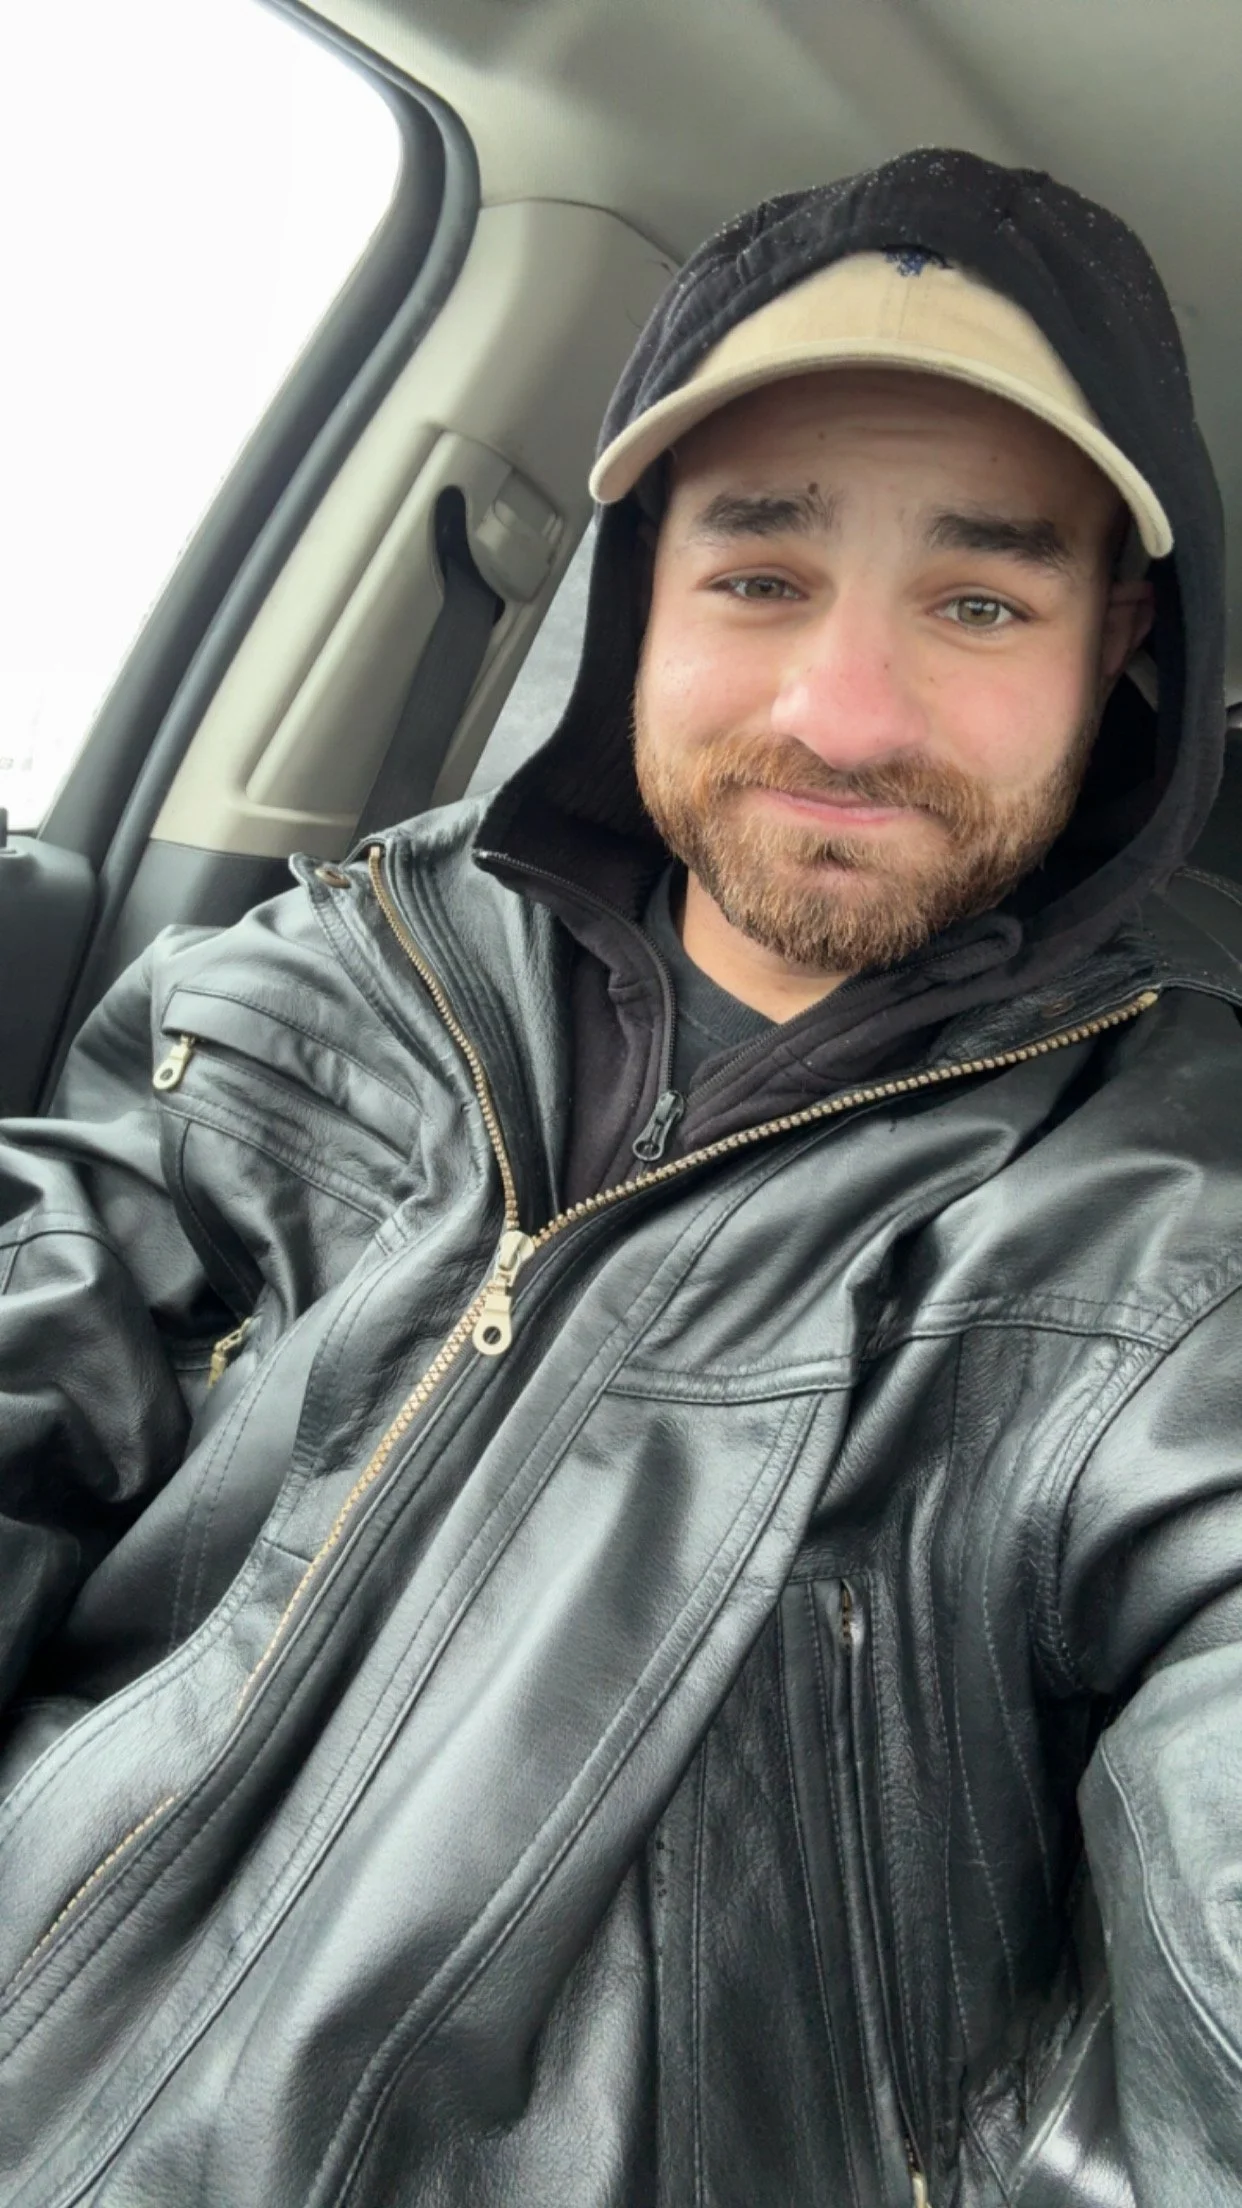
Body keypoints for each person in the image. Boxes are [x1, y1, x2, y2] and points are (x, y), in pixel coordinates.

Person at [0, 146, 1239, 2206]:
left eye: (979, 598)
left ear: (1121, 642)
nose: (844, 713)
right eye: (760, 575)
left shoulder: (1172, 1234)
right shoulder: (324, 978)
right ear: (632, 587)